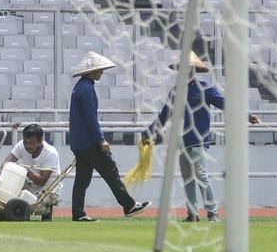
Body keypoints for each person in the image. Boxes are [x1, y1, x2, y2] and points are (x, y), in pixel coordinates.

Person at [142, 51, 260, 223]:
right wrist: (147, 133)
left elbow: (226, 104)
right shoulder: (175, 92)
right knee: (187, 177)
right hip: (181, 141)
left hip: (199, 139)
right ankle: (192, 213)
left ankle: (212, 212)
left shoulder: (206, 88)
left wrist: (247, 116)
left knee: (201, 175)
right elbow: (164, 116)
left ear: (192, 69)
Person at [68, 50, 150, 222]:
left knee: (82, 179)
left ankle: (78, 213)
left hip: (79, 143)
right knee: (111, 174)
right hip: (90, 142)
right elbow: (91, 119)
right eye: (99, 69)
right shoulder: (87, 89)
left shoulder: (79, 88)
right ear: (91, 71)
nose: (101, 72)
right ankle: (129, 205)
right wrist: (100, 140)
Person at [4, 123, 61, 195]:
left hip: (50, 189)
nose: (28, 146)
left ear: (40, 142)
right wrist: (3, 173)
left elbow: (42, 181)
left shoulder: (50, 153)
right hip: (30, 186)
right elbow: (7, 162)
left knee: (35, 205)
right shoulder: (21, 145)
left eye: (31, 142)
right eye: (26, 142)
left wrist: (25, 170)